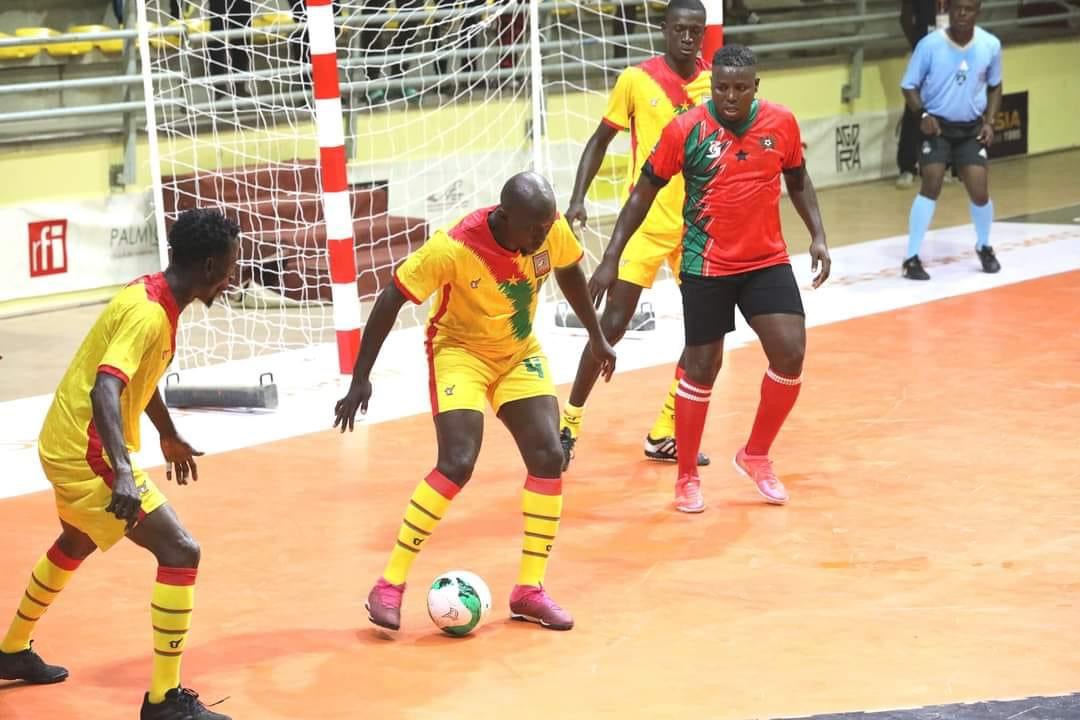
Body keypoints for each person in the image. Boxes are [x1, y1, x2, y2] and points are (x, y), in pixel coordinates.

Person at [334, 172, 616, 632]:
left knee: (548, 456)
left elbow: (567, 270)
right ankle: (389, 583)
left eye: (547, 227)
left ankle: (529, 590)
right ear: (506, 217)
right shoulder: (452, 248)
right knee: (458, 462)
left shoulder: (548, 226)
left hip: (518, 351)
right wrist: (360, 378)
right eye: (534, 229)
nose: (544, 236)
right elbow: (391, 298)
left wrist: (597, 336)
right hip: (460, 352)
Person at [0, 209, 239, 719]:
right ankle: (163, 702)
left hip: (65, 438)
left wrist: (167, 433)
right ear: (209, 264)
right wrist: (124, 471)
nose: (231, 277)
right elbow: (107, 385)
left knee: (76, 540)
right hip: (87, 452)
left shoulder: (154, 295)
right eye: (229, 266)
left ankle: (11, 650)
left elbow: (137, 377)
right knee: (181, 551)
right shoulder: (150, 313)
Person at [590, 44, 831, 513]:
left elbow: (798, 179)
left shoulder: (780, 122)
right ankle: (685, 478)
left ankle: (756, 454)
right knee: (703, 368)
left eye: (741, 88)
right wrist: (611, 257)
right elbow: (642, 194)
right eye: (722, 88)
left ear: (756, 87)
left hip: (765, 260)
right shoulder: (687, 129)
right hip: (707, 264)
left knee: (791, 352)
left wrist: (818, 235)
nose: (731, 97)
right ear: (712, 84)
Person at [559, 0, 713, 472]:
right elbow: (599, 140)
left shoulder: (716, 84)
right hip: (644, 224)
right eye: (680, 30)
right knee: (612, 324)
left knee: (705, 333)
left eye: (696, 31)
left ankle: (665, 432)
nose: (688, 38)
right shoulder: (635, 80)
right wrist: (577, 198)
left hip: (695, 228)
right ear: (664, 30)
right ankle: (568, 425)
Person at [899, 0, 1002, 280]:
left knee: (980, 191)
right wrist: (922, 115)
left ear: (978, 11)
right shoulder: (930, 45)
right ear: (948, 10)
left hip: (970, 129)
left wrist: (990, 122)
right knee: (931, 182)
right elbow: (909, 86)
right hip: (937, 128)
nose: (962, 14)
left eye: (968, 9)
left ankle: (984, 245)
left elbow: (995, 86)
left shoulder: (990, 45)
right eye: (957, 8)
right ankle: (911, 258)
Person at [896, 0, 938, 188]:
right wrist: (918, 45)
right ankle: (907, 167)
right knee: (914, 106)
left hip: (950, 49)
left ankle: (943, 164)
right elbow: (905, 18)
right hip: (925, 48)